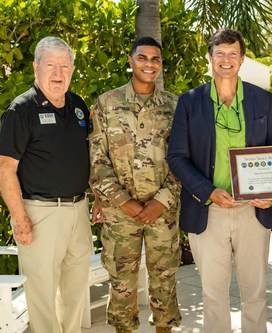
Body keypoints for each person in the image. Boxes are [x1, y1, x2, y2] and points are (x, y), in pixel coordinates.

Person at [166, 28, 272, 333]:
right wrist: (208, 191)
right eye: (220, 53)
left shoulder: (262, 100)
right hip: (208, 210)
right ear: (210, 58)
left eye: (232, 54)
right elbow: (176, 156)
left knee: (255, 293)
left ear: (241, 59)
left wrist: (271, 192)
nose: (226, 60)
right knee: (213, 295)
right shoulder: (190, 102)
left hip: (253, 211)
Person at [88, 37, 181, 333]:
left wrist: (161, 200)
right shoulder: (106, 103)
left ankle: (164, 329)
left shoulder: (174, 107)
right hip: (119, 214)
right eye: (143, 58)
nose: (149, 64)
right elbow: (96, 160)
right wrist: (123, 201)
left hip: (162, 213)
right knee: (121, 282)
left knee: (164, 280)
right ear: (130, 61)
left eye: (155, 59)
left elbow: (184, 160)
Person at [0, 37, 92, 332]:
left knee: (76, 290)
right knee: (41, 294)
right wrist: (19, 217)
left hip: (79, 211)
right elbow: (5, 168)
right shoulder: (21, 110)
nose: (58, 73)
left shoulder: (78, 106)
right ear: (36, 67)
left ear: (73, 69)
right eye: (50, 65)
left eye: (64, 66)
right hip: (40, 214)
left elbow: (87, 156)